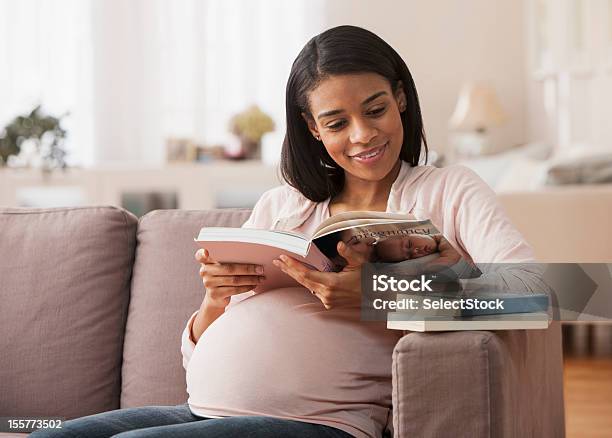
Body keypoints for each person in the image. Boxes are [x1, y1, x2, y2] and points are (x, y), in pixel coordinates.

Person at [31, 25, 539, 438]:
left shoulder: (450, 190)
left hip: (321, 424)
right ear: (312, 128)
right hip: (203, 411)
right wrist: (213, 301)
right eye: (337, 123)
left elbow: (548, 294)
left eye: (376, 109)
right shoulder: (282, 205)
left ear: (401, 98)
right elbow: (205, 348)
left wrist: (373, 296)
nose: (362, 135)